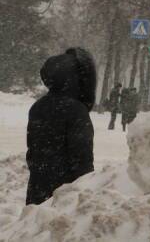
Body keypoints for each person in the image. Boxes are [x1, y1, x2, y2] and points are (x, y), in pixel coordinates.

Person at [26, 48, 96, 205]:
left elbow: (32, 152)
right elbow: (82, 158)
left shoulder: (38, 107)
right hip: (65, 195)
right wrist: (84, 191)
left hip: (37, 188)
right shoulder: (76, 110)